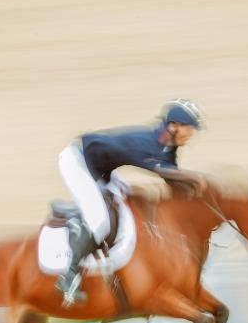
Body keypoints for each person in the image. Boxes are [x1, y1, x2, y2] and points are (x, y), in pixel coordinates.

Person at [55, 99, 207, 305]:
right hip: (77, 161)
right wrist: (196, 179)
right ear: (174, 126)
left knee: (127, 196)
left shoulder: (167, 147)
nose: (191, 134)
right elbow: (165, 172)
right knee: (100, 221)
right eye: (190, 128)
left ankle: (78, 216)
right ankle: (69, 276)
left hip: (100, 169)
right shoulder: (150, 144)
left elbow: (174, 183)